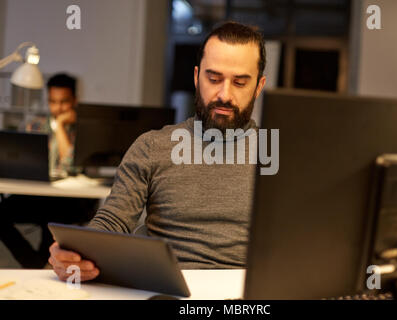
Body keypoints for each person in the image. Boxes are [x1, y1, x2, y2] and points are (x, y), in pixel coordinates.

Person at [49, 21, 267, 281]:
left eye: (240, 83)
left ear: (259, 86)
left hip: (245, 292)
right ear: (197, 77)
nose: (224, 95)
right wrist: (77, 252)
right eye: (214, 78)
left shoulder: (279, 154)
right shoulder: (152, 146)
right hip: (166, 288)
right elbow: (113, 221)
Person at [0, 74, 98, 268]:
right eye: (52, 101)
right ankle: (35, 264)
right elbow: (20, 157)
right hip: (39, 193)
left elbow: (71, 165)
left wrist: (60, 126)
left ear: (75, 101)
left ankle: (37, 265)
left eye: (64, 102)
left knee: (53, 219)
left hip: (73, 200)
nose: (58, 108)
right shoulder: (35, 124)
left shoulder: (86, 129)